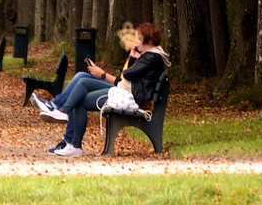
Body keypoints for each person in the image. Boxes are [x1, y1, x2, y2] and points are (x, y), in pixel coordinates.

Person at [36, 22, 169, 157]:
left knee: (81, 89)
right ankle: (59, 112)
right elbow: (124, 78)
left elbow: (127, 75)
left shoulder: (153, 57)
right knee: (81, 77)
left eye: (139, 38)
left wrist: (129, 59)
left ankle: (63, 116)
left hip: (131, 97)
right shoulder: (149, 56)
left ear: (150, 40)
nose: (136, 42)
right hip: (124, 91)